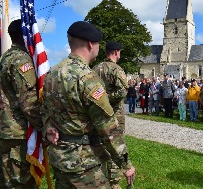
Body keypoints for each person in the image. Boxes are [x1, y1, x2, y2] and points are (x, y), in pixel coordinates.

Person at [41, 21, 135, 188]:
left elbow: (45, 109)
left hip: (60, 158)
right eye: (98, 44)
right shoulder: (87, 78)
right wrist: (125, 164)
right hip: (84, 162)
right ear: (91, 44)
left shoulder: (51, 74)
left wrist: (47, 127)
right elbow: (107, 125)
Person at [0, 19, 43, 188]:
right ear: (26, 36)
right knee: (21, 183)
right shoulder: (21, 61)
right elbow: (29, 103)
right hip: (18, 134)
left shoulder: (6, 57)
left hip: (6, 131)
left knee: (6, 181)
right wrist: (45, 126)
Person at [93, 41, 130, 188]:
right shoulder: (116, 70)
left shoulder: (95, 69)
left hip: (97, 115)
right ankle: (114, 182)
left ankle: (101, 177)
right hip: (114, 115)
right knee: (115, 146)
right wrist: (106, 97)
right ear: (116, 52)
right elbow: (123, 91)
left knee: (100, 145)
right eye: (119, 52)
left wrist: (100, 98)